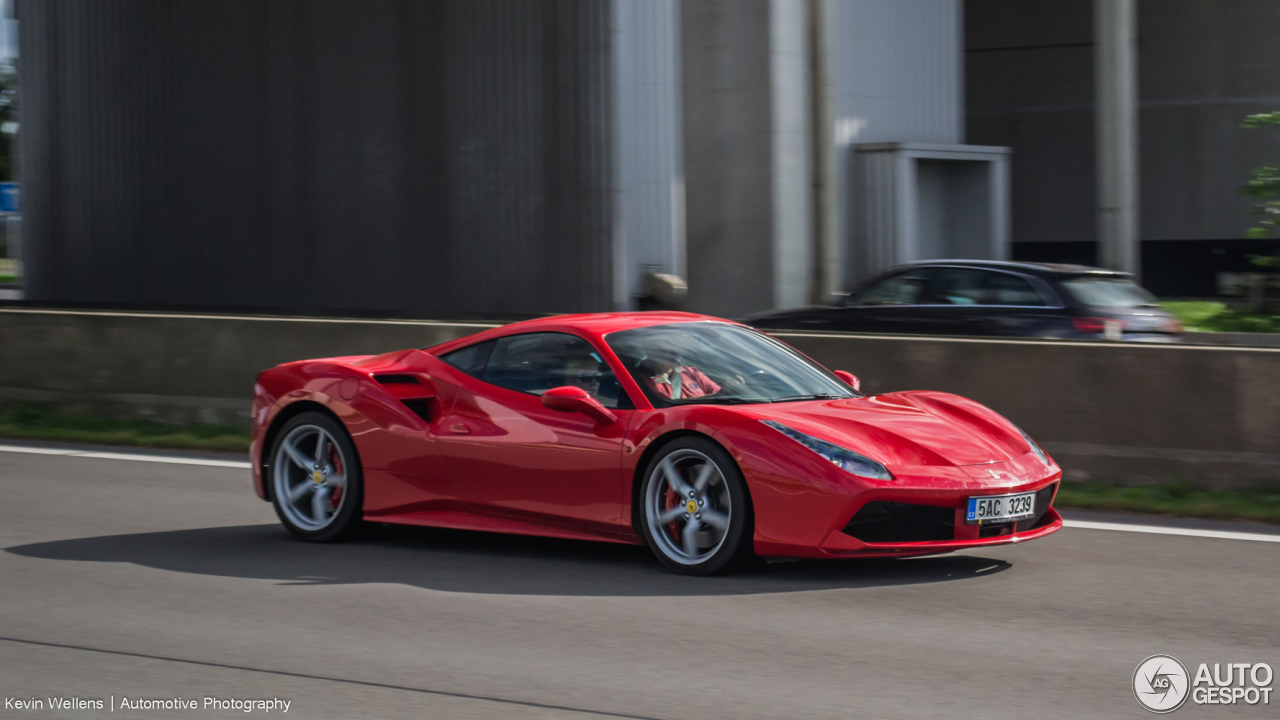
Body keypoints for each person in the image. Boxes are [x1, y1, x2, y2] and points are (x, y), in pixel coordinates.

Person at [641, 348, 721, 400]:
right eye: (666, 352)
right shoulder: (644, 381)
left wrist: (728, 388)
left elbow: (720, 395)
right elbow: (667, 405)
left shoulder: (691, 372)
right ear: (652, 355)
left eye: (675, 353)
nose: (674, 356)